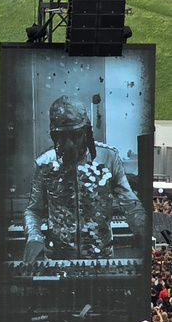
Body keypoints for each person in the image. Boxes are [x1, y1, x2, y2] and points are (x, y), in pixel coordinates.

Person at [23, 94, 145, 260]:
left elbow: (130, 204)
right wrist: (34, 237)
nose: (69, 144)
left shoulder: (108, 157)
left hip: (102, 258)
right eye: (62, 137)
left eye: (74, 136)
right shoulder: (44, 164)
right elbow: (33, 210)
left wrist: (142, 229)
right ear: (54, 135)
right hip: (59, 259)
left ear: (86, 132)